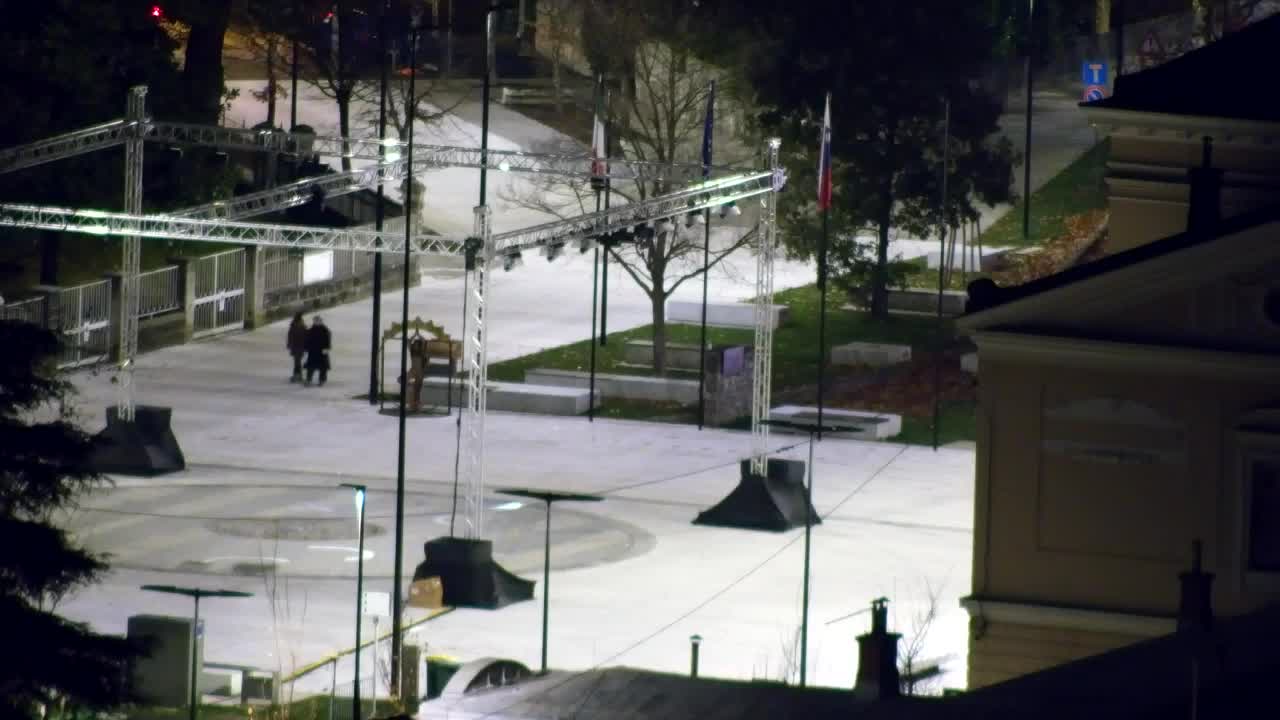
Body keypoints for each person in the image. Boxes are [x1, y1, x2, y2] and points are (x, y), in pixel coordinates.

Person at [304, 315, 332, 386]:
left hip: (321, 351)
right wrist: (306, 347)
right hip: (313, 351)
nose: (316, 322)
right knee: (311, 367)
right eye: (315, 321)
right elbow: (307, 340)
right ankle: (308, 379)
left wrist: (327, 348)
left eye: (317, 321)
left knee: (322, 367)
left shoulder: (325, 330)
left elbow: (328, 340)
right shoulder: (311, 330)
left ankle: (321, 380)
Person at [286, 312, 307, 383]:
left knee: (297, 362)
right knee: (297, 362)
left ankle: (297, 375)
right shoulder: (301, 326)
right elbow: (291, 336)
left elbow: (290, 336)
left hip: (297, 347)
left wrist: (289, 345)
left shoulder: (294, 326)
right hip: (298, 347)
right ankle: (298, 375)